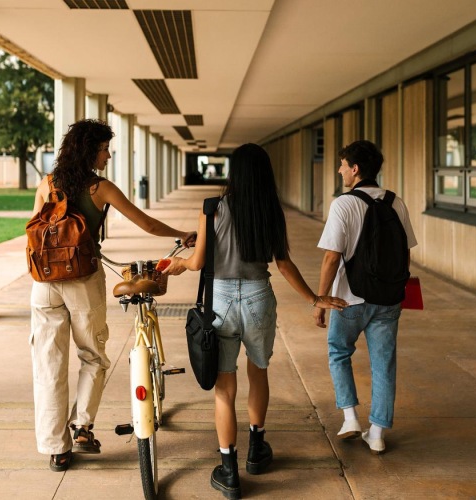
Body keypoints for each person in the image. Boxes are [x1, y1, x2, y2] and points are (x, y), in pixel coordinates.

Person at [164, 143, 347, 499]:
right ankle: (257, 451)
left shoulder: (211, 208)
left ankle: (229, 470)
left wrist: (180, 264)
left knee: (224, 387)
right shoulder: (270, 210)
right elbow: (283, 264)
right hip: (259, 297)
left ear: (234, 173)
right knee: (258, 370)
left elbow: (199, 262)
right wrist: (314, 298)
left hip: (219, 302)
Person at [29, 119, 196, 472]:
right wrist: (184, 233)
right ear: (90, 150)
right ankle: (82, 427)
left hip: (43, 284)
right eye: (105, 148)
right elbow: (147, 224)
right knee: (93, 354)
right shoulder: (99, 188)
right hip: (82, 280)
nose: (108, 155)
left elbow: (34, 230)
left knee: (49, 364)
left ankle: (56, 449)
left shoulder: (47, 184)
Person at [313, 140, 417, 454]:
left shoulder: (343, 204)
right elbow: (405, 255)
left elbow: (332, 257)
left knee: (339, 352)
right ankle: (378, 432)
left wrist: (320, 299)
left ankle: (349, 418)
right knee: (384, 364)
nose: (340, 170)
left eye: (343, 164)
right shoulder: (396, 202)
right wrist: (399, 293)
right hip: (388, 299)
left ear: (355, 169)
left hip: (348, 299)